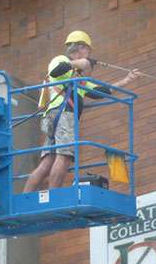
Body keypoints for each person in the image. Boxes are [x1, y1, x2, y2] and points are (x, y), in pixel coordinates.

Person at [23, 30, 139, 193]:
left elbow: (101, 91)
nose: (89, 54)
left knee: (48, 161)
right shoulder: (61, 60)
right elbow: (57, 70)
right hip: (63, 114)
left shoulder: (79, 78)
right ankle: (54, 197)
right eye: (88, 50)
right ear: (80, 48)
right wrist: (81, 63)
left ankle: (26, 196)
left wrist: (127, 80)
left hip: (55, 117)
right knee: (64, 156)